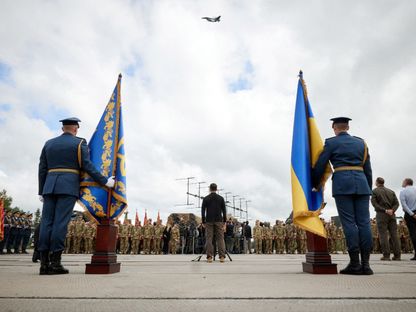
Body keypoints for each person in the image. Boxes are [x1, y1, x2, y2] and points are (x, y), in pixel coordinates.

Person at [38, 117, 115, 275]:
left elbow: (42, 168)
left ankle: (44, 264)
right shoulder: (79, 143)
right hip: (67, 185)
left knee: (46, 223)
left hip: (49, 186)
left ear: (62, 129)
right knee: (60, 223)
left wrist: (41, 190)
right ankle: (55, 263)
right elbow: (87, 165)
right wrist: (104, 181)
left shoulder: (48, 143)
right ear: (75, 129)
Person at [313, 117, 373, 275]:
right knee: (364, 223)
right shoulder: (362, 143)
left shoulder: (331, 143)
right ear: (347, 127)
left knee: (349, 223)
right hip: (362, 184)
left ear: (334, 128)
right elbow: (368, 168)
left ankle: (355, 264)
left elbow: (321, 164)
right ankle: (366, 265)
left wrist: (315, 183)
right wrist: (368, 188)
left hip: (342, 184)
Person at [371, 177, 401, 260]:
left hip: (381, 215)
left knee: (383, 235)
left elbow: (374, 204)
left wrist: (385, 210)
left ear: (377, 183)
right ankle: (397, 255)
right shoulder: (391, 191)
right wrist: (392, 210)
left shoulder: (375, 191)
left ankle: (386, 255)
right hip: (392, 215)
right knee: (394, 235)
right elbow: (397, 203)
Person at [201, 183, 227, 263]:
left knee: (209, 238)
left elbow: (203, 210)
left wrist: (203, 221)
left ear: (210, 189)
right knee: (220, 238)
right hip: (219, 220)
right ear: (216, 189)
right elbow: (224, 211)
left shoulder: (206, 198)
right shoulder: (221, 198)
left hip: (209, 221)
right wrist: (225, 221)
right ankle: (222, 256)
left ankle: (209, 257)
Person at [399, 178, 416, 260]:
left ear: (406, 182)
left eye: (403, 181)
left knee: (413, 234)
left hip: (410, 214)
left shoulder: (403, 192)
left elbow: (404, 205)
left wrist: (412, 214)